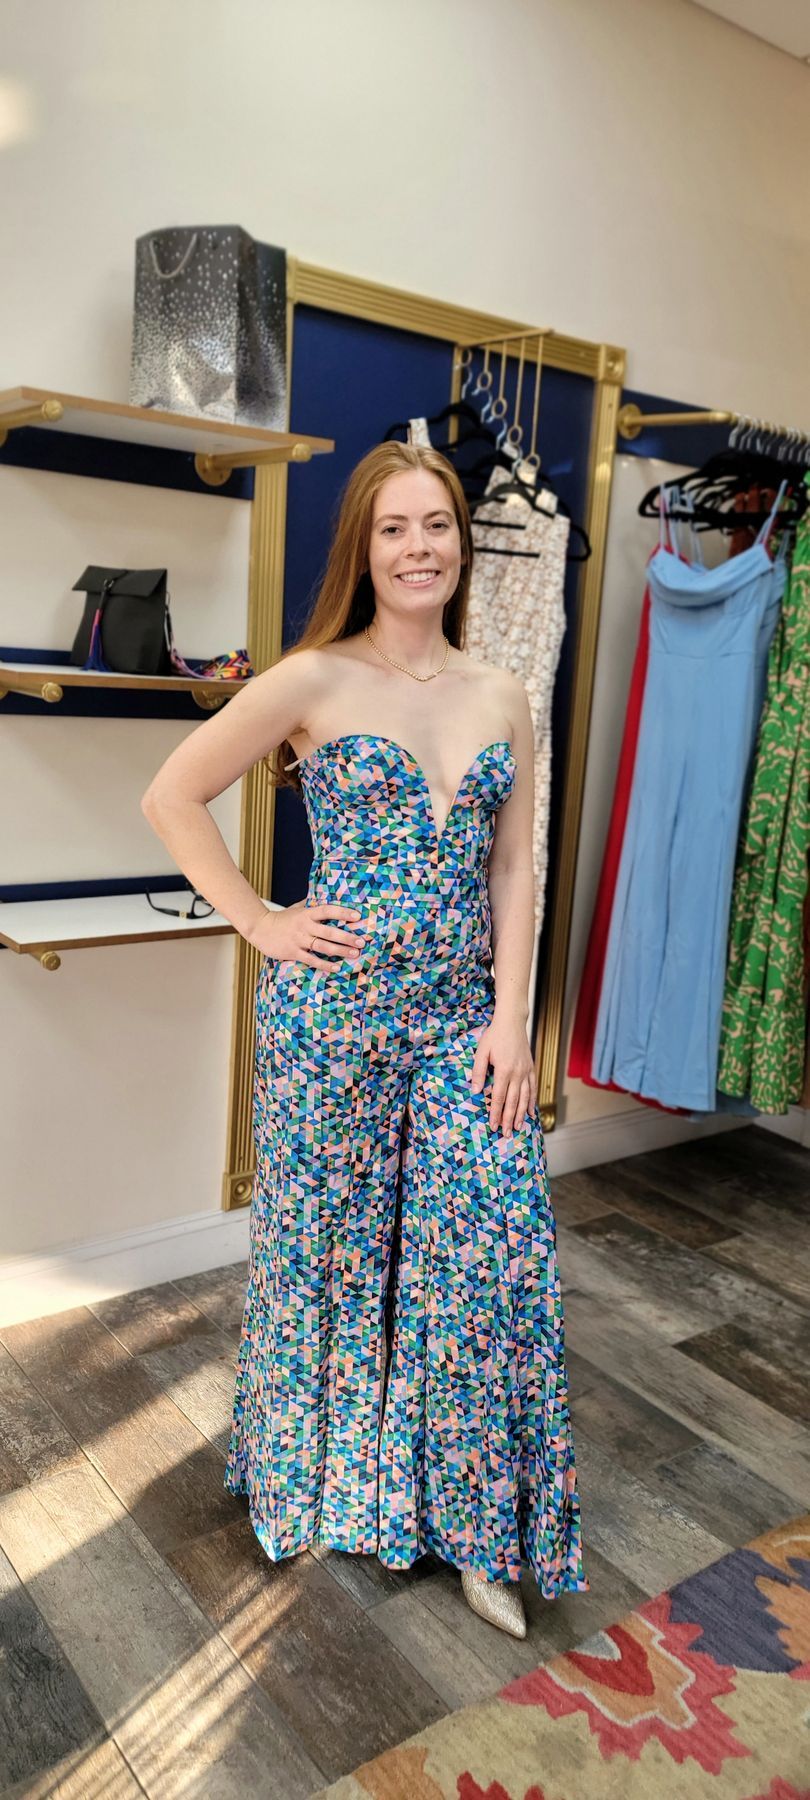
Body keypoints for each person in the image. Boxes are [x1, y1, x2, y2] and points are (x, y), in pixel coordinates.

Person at [141, 440, 588, 1638]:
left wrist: (512, 1023)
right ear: (364, 547)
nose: (420, 547)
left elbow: (514, 870)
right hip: (334, 1021)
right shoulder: (310, 680)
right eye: (395, 528)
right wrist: (260, 920)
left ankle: (483, 1531)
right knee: (330, 1257)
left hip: (462, 1027)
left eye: (437, 524)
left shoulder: (500, 695)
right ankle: (323, 1479)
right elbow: (171, 794)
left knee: (485, 1263)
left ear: (462, 540)